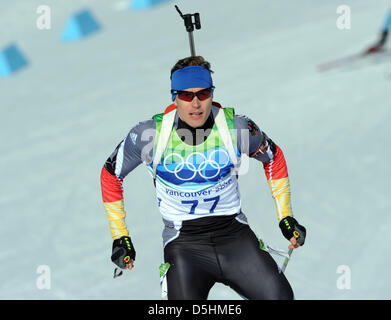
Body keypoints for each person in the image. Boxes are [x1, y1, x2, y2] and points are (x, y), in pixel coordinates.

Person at [100, 56, 307, 300]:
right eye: (187, 96)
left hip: (235, 236)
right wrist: (120, 236)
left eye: (203, 94)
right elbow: (111, 174)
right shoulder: (149, 136)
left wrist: (286, 217)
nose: (196, 104)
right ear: (174, 97)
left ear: (212, 93)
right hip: (185, 245)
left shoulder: (237, 129)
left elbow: (273, 158)